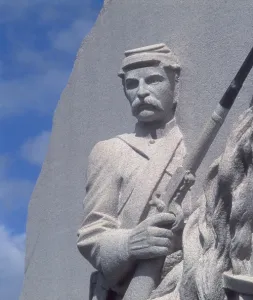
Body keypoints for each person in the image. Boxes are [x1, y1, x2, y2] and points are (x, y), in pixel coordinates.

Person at [77, 43, 191, 300]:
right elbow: (91, 234)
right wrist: (129, 244)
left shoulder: (189, 149)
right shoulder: (110, 150)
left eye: (153, 80)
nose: (141, 92)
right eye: (132, 84)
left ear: (176, 86)